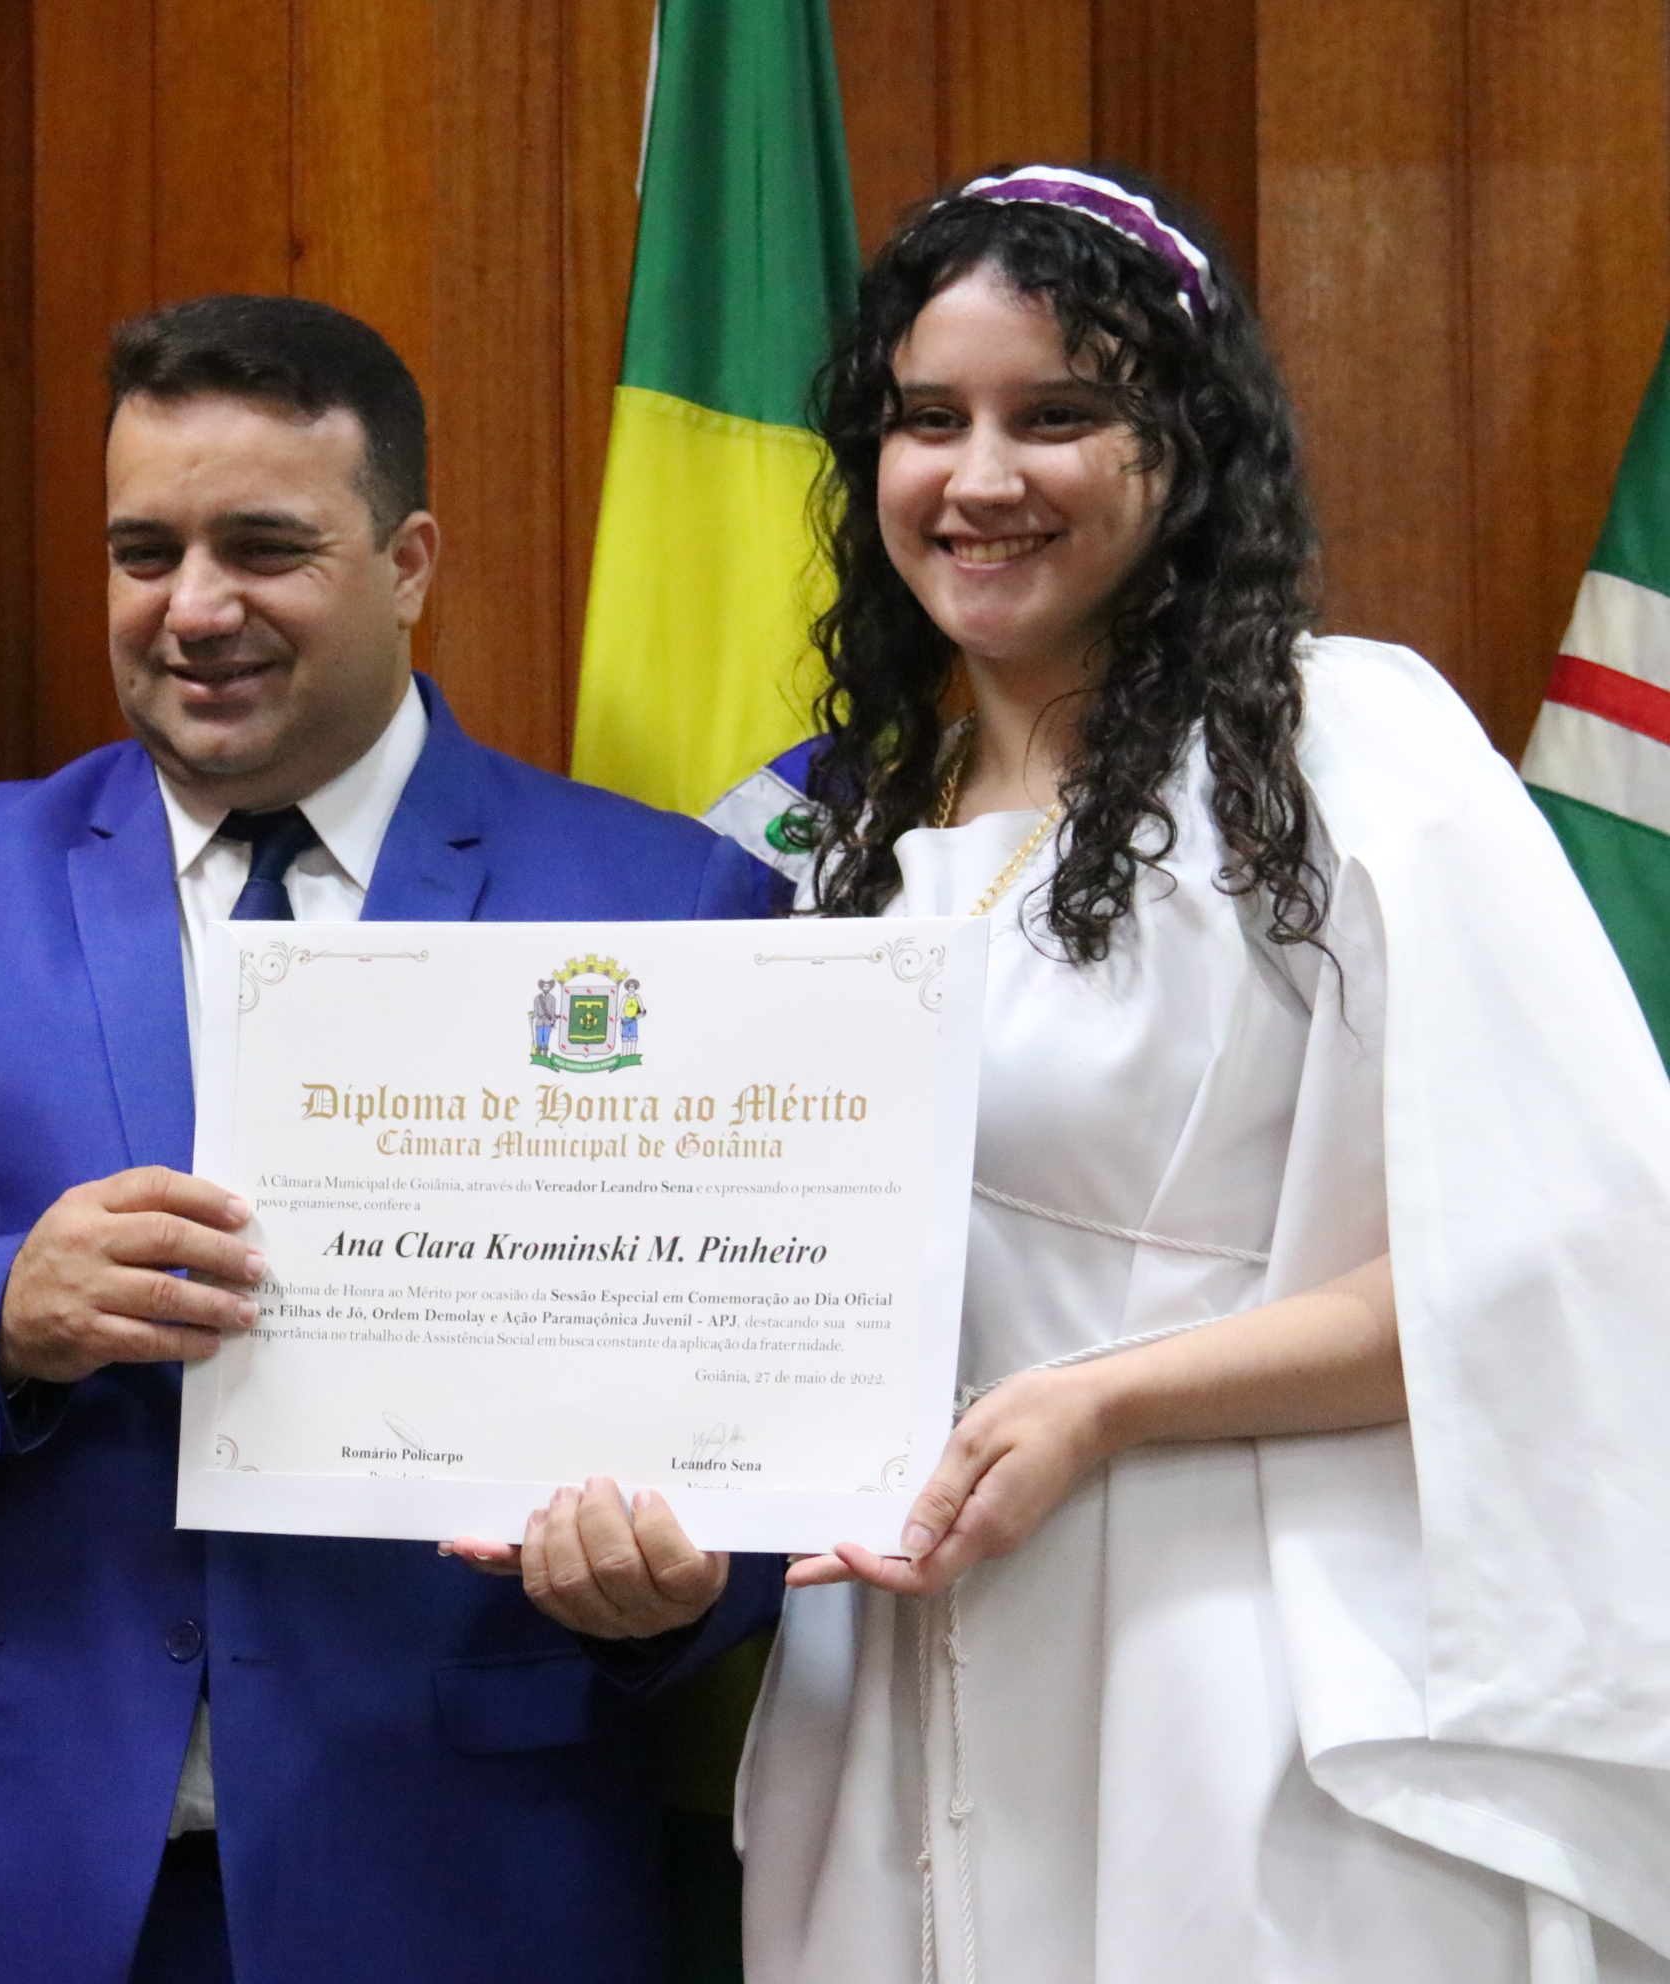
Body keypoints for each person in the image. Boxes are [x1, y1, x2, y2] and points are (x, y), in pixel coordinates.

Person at [514, 166, 1670, 1981]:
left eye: (1054, 415)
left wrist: (1106, 1404)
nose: (978, 477)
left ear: (1184, 449)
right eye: (927, 420)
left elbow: (1561, 1263)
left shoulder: (1339, 751)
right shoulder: (825, 843)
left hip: (1245, 1670)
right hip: (893, 1672)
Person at [0, 294, 786, 1984]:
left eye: (264, 547)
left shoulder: (661, 902)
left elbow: (776, 1403)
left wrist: (687, 1585)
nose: (194, 608)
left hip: (457, 1884)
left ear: (407, 563)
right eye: (145, 552)